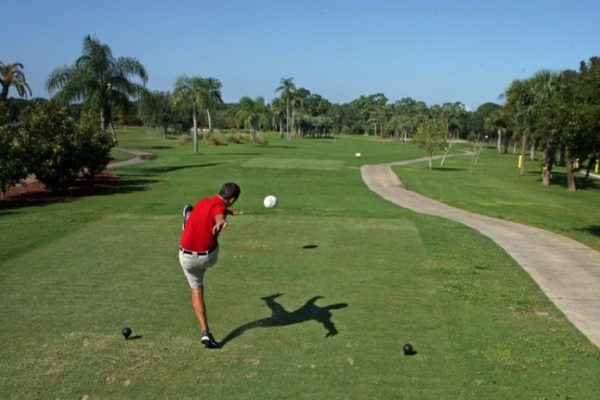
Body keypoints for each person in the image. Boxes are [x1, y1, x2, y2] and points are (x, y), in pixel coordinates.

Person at [179, 182, 243, 348]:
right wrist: (222, 220)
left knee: (196, 290)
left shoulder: (202, 201)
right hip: (207, 258)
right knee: (213, 240)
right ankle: (189, 222)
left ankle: (205, 332)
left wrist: (229, 212)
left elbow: (218, 209)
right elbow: (218, 213)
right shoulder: (219, 210)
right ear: (233, 199)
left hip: (185, 257)